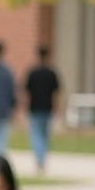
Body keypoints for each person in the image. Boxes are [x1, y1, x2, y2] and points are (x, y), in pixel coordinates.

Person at [23, 46, 60, 174]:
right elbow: (56, 93)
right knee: (45, 136)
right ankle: (42, 160)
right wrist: (57, 108)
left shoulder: (32, 73)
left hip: (34, 108)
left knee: (36, 136)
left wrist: (25, 108)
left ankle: (39, 160)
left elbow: (27, 92)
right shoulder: (52, 73)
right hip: (47, 108)